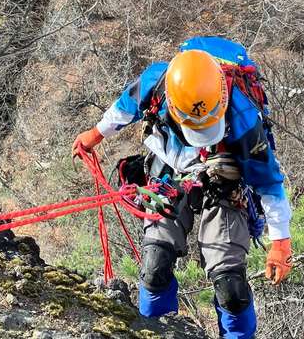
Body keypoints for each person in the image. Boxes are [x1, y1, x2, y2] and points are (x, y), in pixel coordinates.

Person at [72, 36, 292, 339]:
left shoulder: (242, 117)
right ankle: (154, 331)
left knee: (231, 287)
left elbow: (268, 182)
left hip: (225, 177)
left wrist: (281, 243)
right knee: (154, 265)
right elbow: (124, 107)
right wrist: (95, 134)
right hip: (170, 169)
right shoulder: (156, 83)